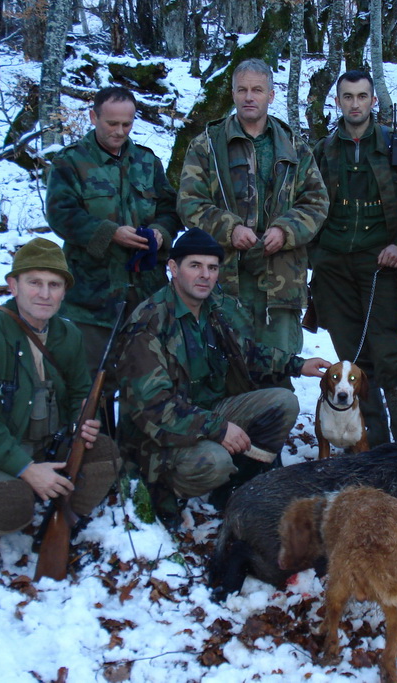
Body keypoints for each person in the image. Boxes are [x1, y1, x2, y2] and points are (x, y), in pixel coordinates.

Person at [116, 228, 332, 525]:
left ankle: (238, 488)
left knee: (283, 402)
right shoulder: (149, 323)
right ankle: (166, 491)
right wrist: (218, 429)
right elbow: (155, 411)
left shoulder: (210, 310)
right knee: (214, 462)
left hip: (203, 414)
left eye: (212, 268)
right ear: (173, 268)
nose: (205, 275)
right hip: (158, 441)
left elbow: (244, 353)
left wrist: (297, 364)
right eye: (195, 266)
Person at [0, 238, 121, 562]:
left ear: (65, 291)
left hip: (46, 444)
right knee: (9, 505)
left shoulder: (68, 335)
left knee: (105, 453)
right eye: (34, 283)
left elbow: (80, 391)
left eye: (54, 284)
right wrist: (26, 469)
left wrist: (83, 419)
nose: (45, 294)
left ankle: (62, 518)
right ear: (13, 285)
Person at [177, 59, 328, 377]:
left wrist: (286, 230)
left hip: (281, 282)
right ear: (232, 94)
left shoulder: (294, 147)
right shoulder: (208, 146)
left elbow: (316, 202)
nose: (249, 96)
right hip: (226, 282)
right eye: (242, 89)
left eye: (257, 90)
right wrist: (228, 229)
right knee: (229, 371)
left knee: (279, 371)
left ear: (271, 95)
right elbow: (189, 203)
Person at [46, 86, 181, 425]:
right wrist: (110, 233)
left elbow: (169, 209)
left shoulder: (148, 161)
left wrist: (160, 234)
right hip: (92, 298)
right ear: (93, 118)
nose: (120, 132)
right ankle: (96, 461)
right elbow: (61, 215)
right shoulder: (71, 161)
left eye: (127, 124)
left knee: (145, 381)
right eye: (112, 124)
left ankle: (137, 463)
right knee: (93, 387)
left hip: (144, 294)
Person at [310, 70, 397, 446]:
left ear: (374, 101)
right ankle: (372, 445)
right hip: (334, 269)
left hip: (380, 266)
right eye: (347, 97)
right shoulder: (323, 151)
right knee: (353, 359)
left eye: (362, 96)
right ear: (338, 102)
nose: (355, 103)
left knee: (389, 356)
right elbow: (305, 204)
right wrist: (317, 256)